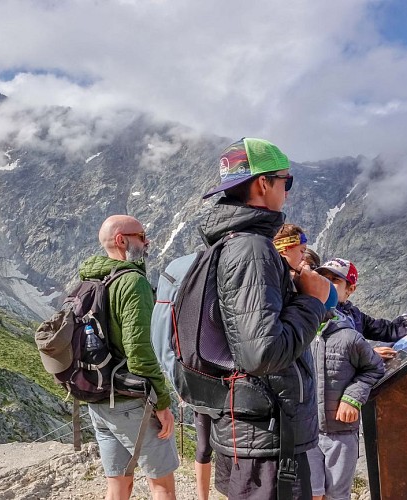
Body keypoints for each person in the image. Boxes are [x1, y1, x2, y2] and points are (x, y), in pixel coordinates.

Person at [199, 138, 331, 499]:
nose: (287, 191)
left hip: (249, 429)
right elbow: (263, 354)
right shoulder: (253, 249)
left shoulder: (228, 242)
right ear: (262, 183)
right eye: (286, 181)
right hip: (269, 440)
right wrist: (313, 301)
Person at [80, 214, 178, 500]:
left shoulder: (90, 278)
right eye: (142, 236)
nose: (148, 242)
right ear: (122, 240)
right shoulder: (132, 282)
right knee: (161, 485)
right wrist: (161, 402)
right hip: (131, 401)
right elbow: (141, 352)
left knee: (119, 485)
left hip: (98, 398)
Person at [307, 309, 385, 500]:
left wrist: (351, 398)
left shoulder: (349, 337)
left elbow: (374, 368)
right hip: (306, 432)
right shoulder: (297, 334)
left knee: (337, 496)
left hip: (341, 434)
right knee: (311, 494)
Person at [315, 258, 407, 359]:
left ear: (350, 289)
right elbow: (321, 350)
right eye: (324, 278)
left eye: (335, 279)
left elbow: (388, 330)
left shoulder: (353, 314)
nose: (327, 282)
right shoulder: (313, 311)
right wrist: (367, 356)